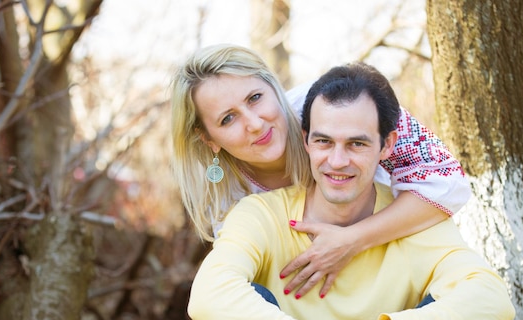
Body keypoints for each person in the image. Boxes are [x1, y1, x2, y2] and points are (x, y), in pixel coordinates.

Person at [187, 62, 515, 320]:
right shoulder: (255, 213)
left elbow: (491, 298)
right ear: (306, 140)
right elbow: (209, 297)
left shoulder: (416, 219)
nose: (338, 161)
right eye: (324, 141)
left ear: (388, 145)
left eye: (356, 143)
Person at [170, 44, 471, 298]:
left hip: (397, 280)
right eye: (227, 119)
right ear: (208, 138)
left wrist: (353, 239)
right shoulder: (223, 197)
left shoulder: (333, 103)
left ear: (273, 87)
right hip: (313, 310)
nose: (255, 123)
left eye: (255, 98)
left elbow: (448, 181)